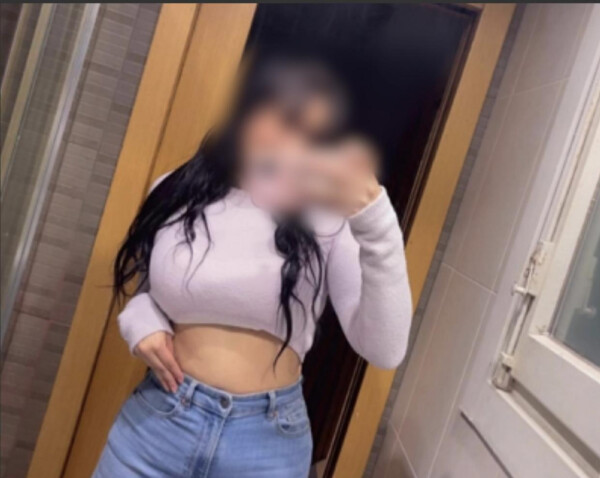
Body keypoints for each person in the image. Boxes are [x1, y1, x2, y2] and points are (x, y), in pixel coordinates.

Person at [93, 55, 412, 478]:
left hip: (267, 446)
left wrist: (377, 221)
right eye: (288, 117)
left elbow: (385, 349)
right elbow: (150, 290)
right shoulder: (174, 190)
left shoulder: (331, 218)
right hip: (158, 426)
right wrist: (140, 320)